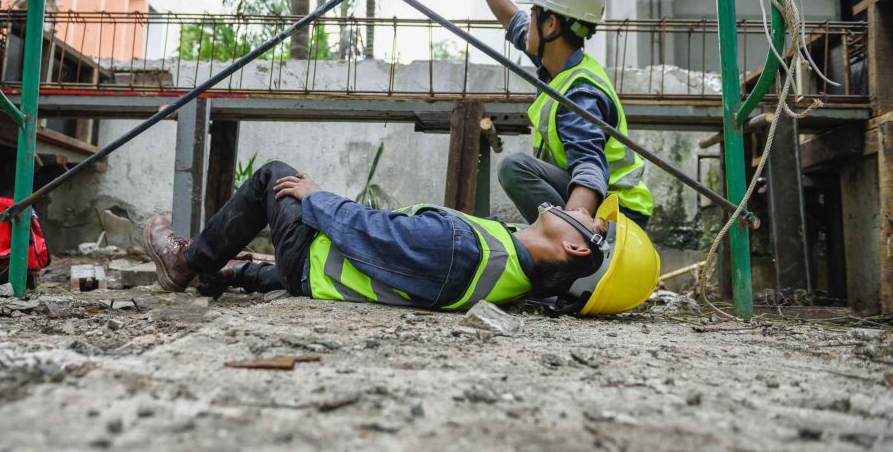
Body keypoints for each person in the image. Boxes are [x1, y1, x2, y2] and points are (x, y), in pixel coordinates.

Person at [143, 160, 659, 317]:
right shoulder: (514, 274)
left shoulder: (468, 251)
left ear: (575, 249)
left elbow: (372, 234)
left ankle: (188, 261)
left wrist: (316, 197)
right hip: (333, 278)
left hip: (314, 266)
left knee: (274, 178)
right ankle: (232, 271)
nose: (579, 210)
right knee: (271, 259)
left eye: (593, 224)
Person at [448, 0, 654, 229]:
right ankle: (563, 233)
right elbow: (511, 20)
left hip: (616, 213)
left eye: (533, 14)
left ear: (551, 25)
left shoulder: (580, 91)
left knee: (514, 168)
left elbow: (589, 164)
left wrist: (574, 223)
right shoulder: (555, 62)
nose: (525, 22)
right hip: (601, 202)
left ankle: (568, 240)